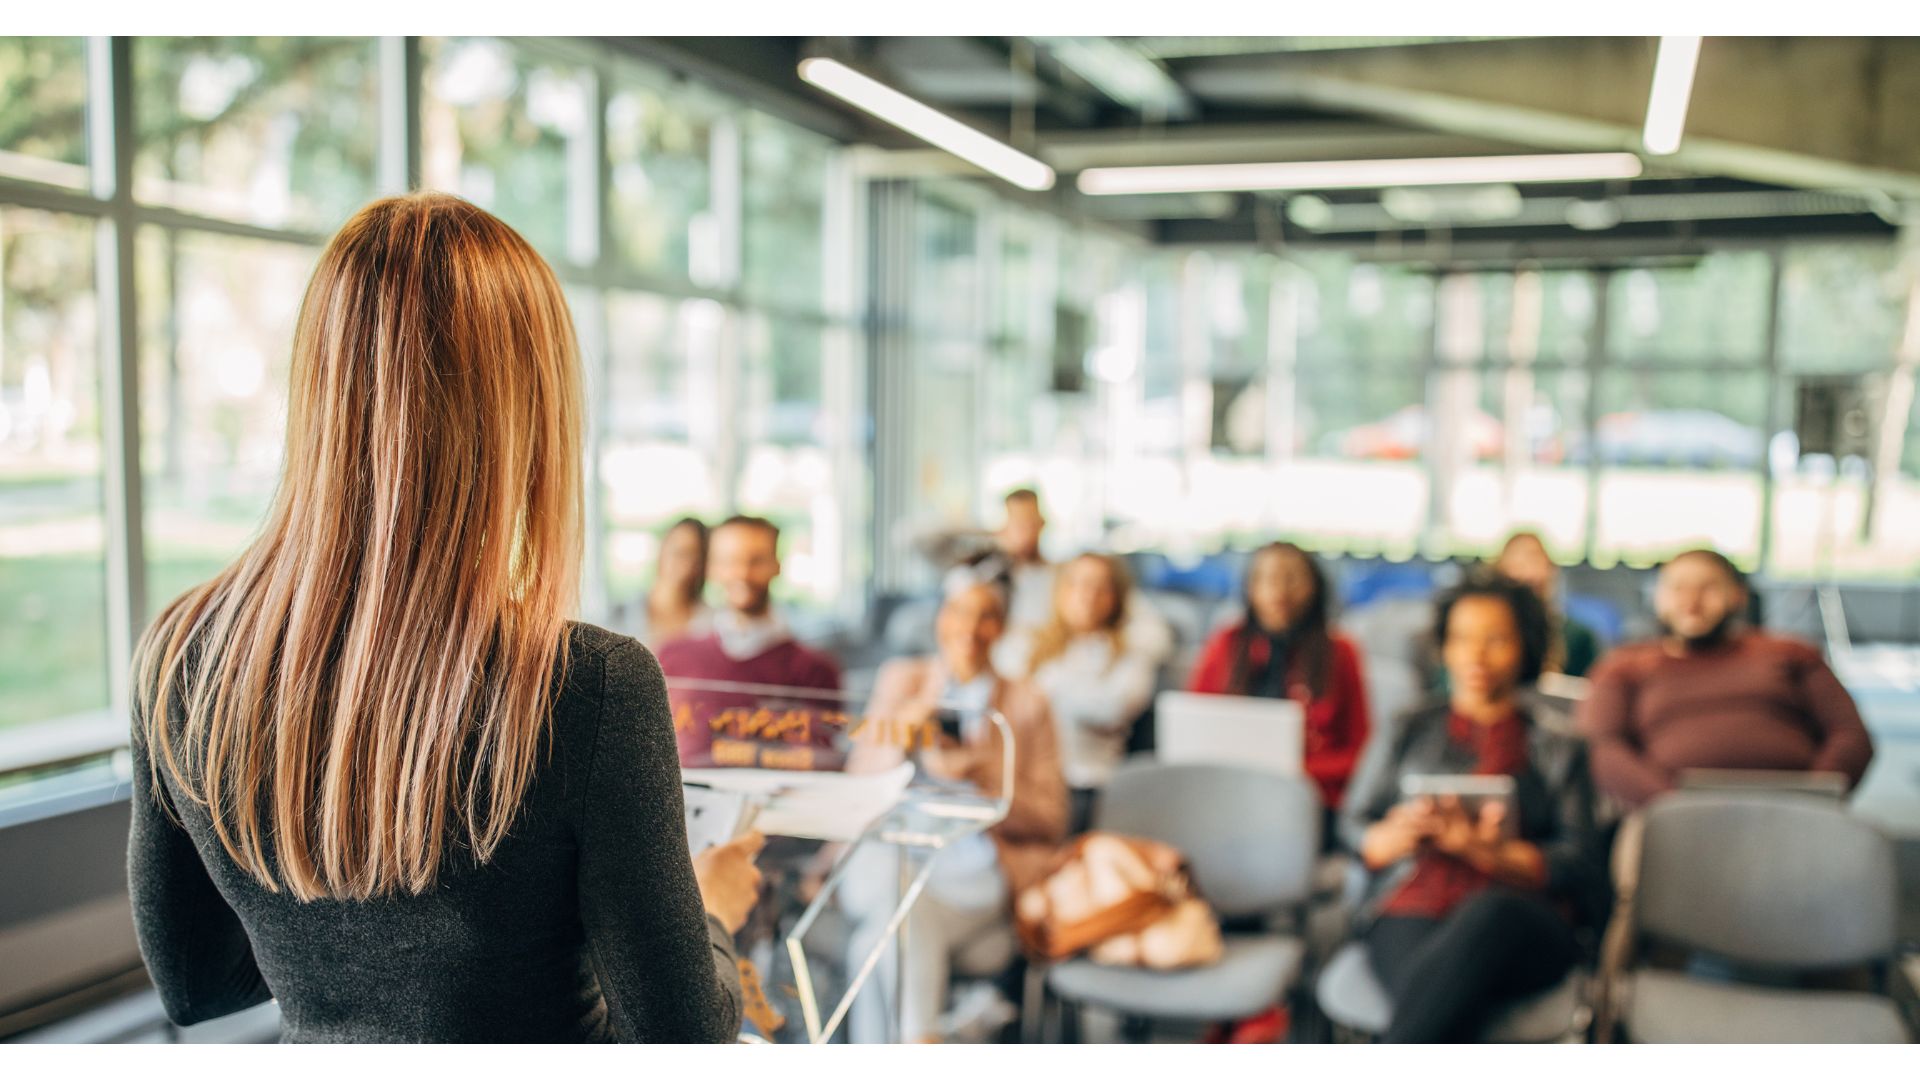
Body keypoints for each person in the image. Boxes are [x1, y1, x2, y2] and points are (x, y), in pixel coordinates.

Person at [127, 194, 762, 1043]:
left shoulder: (179, 660)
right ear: (525, 413)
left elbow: (198, 984)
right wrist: (712, 913)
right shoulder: (587, 685)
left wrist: (343, 959)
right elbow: (685, 1039)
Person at [1340, 574, 1607, 1043]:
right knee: (1438, 1001)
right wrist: (1386, 838)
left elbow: (1579, 864)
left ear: (1526, 646)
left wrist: (1489, 853)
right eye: (1461, 639)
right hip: (1414, 899)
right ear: (1443, 647)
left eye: (1496, 639)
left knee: (1487, 917)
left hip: (1525, 918)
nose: (1475, 656)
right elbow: (1352, 824)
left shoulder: (1559, 745)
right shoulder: (1407, 727)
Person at [839, 578, 1070, 1043]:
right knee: (900, 890)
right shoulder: (902, 680)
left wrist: (982, 774)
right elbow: (856, 787)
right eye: (959, 612)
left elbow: (1051, 817)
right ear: (940, 620)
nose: (970, 627)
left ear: (1001, 628)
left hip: (972, 861)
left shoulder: (1027, 701)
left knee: (881, 936)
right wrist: (910, 726)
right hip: (888, 847)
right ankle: (924, 1040)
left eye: (986, 615)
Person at [1578, 548, 1875, 810]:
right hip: (1669, 814)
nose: (1691, 601)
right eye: (1677, 588)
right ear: (1657, 597)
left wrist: (1813, 796)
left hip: (1794, 807)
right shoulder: (1623, 666)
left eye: (1708, 588)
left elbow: (1850, 734)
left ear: (1738, 595)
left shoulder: (1791, 654)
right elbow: (1601, 746)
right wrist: (1668, 803)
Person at [1187, 542, 1372, 810]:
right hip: (1229, 791)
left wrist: (1294, 769)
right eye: (1267, 579)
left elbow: (1362, 753)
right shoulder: (1226, 644)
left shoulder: (1340, 652)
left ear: (1314, 586)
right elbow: (1195, 728)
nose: (1279, 591)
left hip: (1308, 798)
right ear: (1250, 588)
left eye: (1292, 579)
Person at [997, 552, 1174, 830]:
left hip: (1085, 783)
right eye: (1077, 584)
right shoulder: (1030, 645)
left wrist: (1041, 688)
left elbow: (1111, 709)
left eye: (1100, 587)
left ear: (1117, 597)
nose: (1087, 596)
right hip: (1022, 777)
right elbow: (1000, 692)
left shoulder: (1129, 652)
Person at [656, 515, 843, 767]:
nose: (743, 573)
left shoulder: (815, 670)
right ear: (711, 569)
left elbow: (821, 759)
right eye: (730, 561)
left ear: (776, 566)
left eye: (756, 560)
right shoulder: (673, 656)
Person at [1492, 531, 1600, 678]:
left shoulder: (1578, 637)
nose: (1528, 572)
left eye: (1534, 559)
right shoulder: (1485, 633)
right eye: (1518, 564)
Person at [631, 516, 711, 648]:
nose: (681, 561)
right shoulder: (620, 614)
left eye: (692, 553)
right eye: (676, 550)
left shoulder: (711, 624)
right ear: (662, 550)